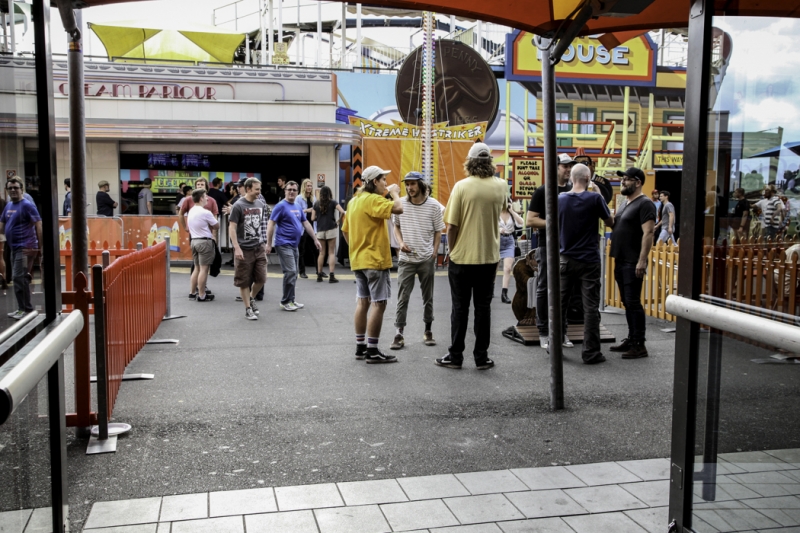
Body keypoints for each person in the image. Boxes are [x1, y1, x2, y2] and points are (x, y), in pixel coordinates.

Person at [436, 142, 506, 370]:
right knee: (483, 309)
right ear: (489, 163)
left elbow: (452, 226)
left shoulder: (461, 187)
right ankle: (481, 357)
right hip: (489, 257)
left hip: (463, 258)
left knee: (460, 308)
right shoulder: (501, 186)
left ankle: (456, 356)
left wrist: (452, 251)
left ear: (470, 162)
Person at [341, 165, 403, 363]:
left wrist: (356, 247)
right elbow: (399, 208)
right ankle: (373, 350)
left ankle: (361, 347)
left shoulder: (354, 202)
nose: (385, 183)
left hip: (358, 260)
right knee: (379, 303)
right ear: (374, 181)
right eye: (383, 179)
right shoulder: (374, 199)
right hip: (375, 260)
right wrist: (393, 193)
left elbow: (345, 230)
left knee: (362, 302)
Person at [557, 164, 615, 365]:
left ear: (572, 179)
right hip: (589, 260)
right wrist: (599, 193)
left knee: (560, 305)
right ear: (588, 178)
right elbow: (610, 222)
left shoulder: (560, 199)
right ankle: (590, 353)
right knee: (590, 308)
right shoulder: (595, 198)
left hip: (565, 259)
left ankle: (556, 348)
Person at [526, 153, 577, 350]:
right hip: (547, 245)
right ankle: (544, 332)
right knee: (544, 287)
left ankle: (562, 332)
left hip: (569, 247)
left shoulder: (574, 191)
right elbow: (531, 220)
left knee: (565, 291)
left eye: (570, 166)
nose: (568, 169)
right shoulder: (543, 191)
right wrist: (556, 223)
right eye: (565, 166)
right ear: (555, 167)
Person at [389, 171, 445, 350]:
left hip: (426, 258)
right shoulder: (401, 204)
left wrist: (435, 252)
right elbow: (396, 226)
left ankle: (428, 330)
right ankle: (399, 333)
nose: (409, 187)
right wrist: (400, 242)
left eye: (413, 184)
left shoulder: (434, 206)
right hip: (406, 259)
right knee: (402, 297)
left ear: (421, 184)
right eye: (407, 184)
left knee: (427, 297)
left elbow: (439, 230)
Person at [609, 167, 656, 359]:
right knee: (627, 302)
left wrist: (642, 260)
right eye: (623, 179)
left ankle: (639, 344)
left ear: (638, 183)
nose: (623, 182)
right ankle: (632, 337)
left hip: (632, 261)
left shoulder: (645, 204)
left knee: (633, 302)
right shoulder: (625, 203)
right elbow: (615, 224)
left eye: (628, 179)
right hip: (621, 259)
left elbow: (649, 232)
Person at [266, 181, 320, 311]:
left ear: (297, 192)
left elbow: (306, 223)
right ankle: (285, 301)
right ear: (285, 191)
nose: (291, 192)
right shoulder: (280, 206)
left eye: (294, 190)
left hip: (294, 245)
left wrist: (315, 239)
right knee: (290, 272)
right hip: (283, 244)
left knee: (294, 273)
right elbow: (271, 224)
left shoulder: (296, 205)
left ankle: (291, 300)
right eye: (289, 189)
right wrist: (269, 244)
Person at [0, 177, 42, 319]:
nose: (13, 190)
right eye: (10, 188)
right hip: (14, 248)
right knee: (18, 277)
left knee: (19, 276)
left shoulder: (27, 205)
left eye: (16, 188)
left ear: (22, 189)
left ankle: (26, 309)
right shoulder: (9, 205)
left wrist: (40, 248)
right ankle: (22, 308)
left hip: (26, 248)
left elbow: (38, 224)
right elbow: (2, 223)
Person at [229, 178, 268, 320]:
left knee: (262, 278)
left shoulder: (260, 203)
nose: (259, 192)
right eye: (257, 189)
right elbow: (232, 228)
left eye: (260, 189)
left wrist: (264, 243)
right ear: (248, 189)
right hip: (244, 249)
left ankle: (251, 298)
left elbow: (262, 224)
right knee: (244, 281)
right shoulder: (238, 205)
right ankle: (247, 309)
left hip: (258, 247)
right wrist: (237, 248)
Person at [187, 188, 219, 302]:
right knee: (204, 269)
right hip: (204, 242)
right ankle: (201, 295)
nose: (207, 198)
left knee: (196, 268)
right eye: (206, 196)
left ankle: (192, 293)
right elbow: (216, 226)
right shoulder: (206, 212)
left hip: (194, 241)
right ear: (201, 198)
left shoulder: (191, 210)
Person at [313, 185, 346, 283]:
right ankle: (331, 276)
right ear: (329, 193)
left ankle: (319, 275)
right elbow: (343, 212)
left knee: (321, 253)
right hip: (331, 228)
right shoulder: (333, 202)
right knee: (331, 253)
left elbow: (312, 218)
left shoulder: (316, 203)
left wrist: (319, 218)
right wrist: (338, 221)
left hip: (320, 230)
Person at [499, 197, 524, 304]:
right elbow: (488, 226)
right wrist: (498, 229)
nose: (507, 204)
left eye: (508, 203)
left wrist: (512, 211)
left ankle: (504, 293)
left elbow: (521, 223)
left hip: (509, 241)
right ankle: (491, 287)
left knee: (508, 268)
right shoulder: (495, 213)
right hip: (497, 240)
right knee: (494, 267)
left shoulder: (511, 214)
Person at [297, 178, 319, 279]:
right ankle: (302, 272)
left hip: (312, 227)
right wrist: (306, 210)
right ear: (304, 187)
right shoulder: (299, 198)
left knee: (316, 250)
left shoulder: (313, 198)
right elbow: (297, 212)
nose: (309, 188)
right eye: (308, 186)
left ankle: (319, 271)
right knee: (301, 251)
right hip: (302, 227)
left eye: (310, 186)